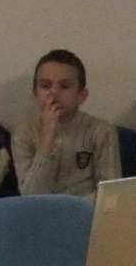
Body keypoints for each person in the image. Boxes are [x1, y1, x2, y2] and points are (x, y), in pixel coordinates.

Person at [13, 48, 125, 200]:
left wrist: (72, 207)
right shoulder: (23, 134)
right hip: (42, 211)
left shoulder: (101, 131)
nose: (53, 93)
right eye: (45, 86)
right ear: (35, 94)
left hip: (86, 209)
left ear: (82, 95)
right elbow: (30, 196)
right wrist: (46, 142)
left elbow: (110, 192)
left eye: (64, 86)